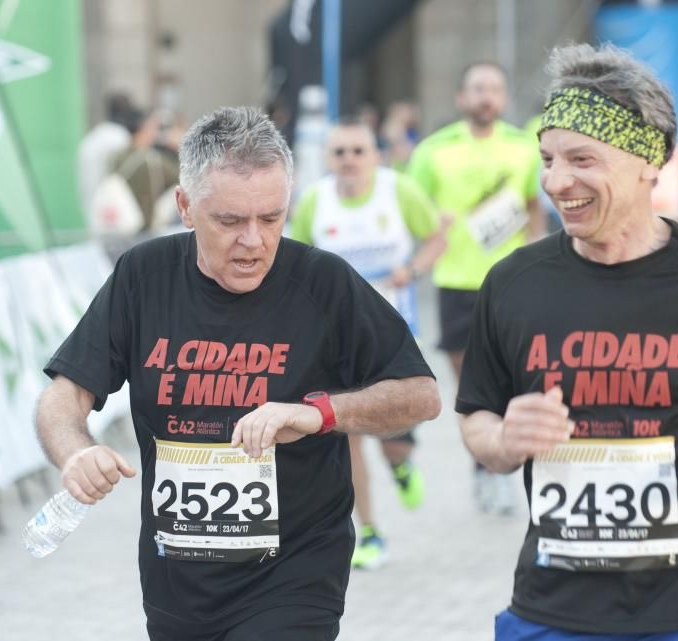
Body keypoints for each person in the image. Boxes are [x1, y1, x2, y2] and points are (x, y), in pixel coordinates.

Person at [456, 43, 678, 640]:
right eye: (547, 158)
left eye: (582, 159)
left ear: (650, 161)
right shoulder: (512, 283)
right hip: (551, 607)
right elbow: (477, 415)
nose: (556, 181)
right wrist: (501, 441)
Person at [36, 106, 441, 641]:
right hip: (178, 578)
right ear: (185, 207)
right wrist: (75, 452)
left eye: (271, 218)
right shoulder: (144, 276)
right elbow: (65, 393)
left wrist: (319, 413)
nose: (253, 241)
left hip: (295, 572)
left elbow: (421, 395)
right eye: (229, 221)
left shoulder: (323, 283)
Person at [289, 118, 446, 570]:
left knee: (392, 439)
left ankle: (400, 465)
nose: (349, 161)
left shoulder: (398, 191)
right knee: (348, 433)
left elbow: (437, 237)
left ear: (374, 155)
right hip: (336, 340)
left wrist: (412, 270)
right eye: (340, 153)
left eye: (358, 151)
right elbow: (296, 264)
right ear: (328, 159)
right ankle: (370, 531)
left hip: (393, 335)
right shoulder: (315, 201)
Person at [408, 61, 543, 515]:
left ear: (503, 99)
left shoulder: (525, 147)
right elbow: (412, 208)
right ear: (461, 98)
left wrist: (542, 255)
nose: (486, 96)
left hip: (512, 282)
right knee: (471, 385)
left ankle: (503, 469)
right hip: (457, 282)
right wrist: (431, 224)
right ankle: (484, 467)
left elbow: (532, 206)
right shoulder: (433, 151)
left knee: (515, 378)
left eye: (494, 89)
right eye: (477, 88)